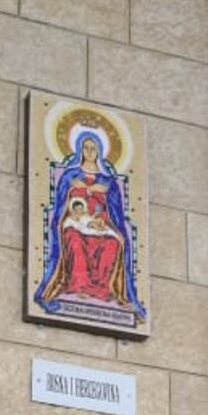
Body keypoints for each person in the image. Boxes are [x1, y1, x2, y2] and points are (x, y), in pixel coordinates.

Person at [34, 130, 145, 320]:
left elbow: (114, 210)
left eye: (94, 148)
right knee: (74, 239)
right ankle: (79, 285)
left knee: (114, 243)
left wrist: (102, 219)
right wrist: (74, 190)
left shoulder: (107, 181)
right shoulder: (70, 175)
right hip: (75, 220)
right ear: (80, 150)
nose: (90, 151)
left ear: (99, 151)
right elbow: (61, 204)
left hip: (98, 223)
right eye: (86, 148)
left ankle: (102, 290)